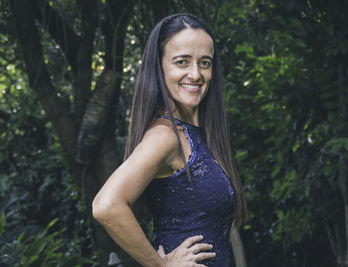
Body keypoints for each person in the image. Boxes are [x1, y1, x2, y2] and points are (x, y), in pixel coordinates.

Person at [92, 13, 246, 267]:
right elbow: (106, 205)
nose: (195, 74)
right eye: (182, 62)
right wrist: (160, 264)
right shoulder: (165, 135)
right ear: (160, 66)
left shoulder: (197, 134)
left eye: (204, 63)